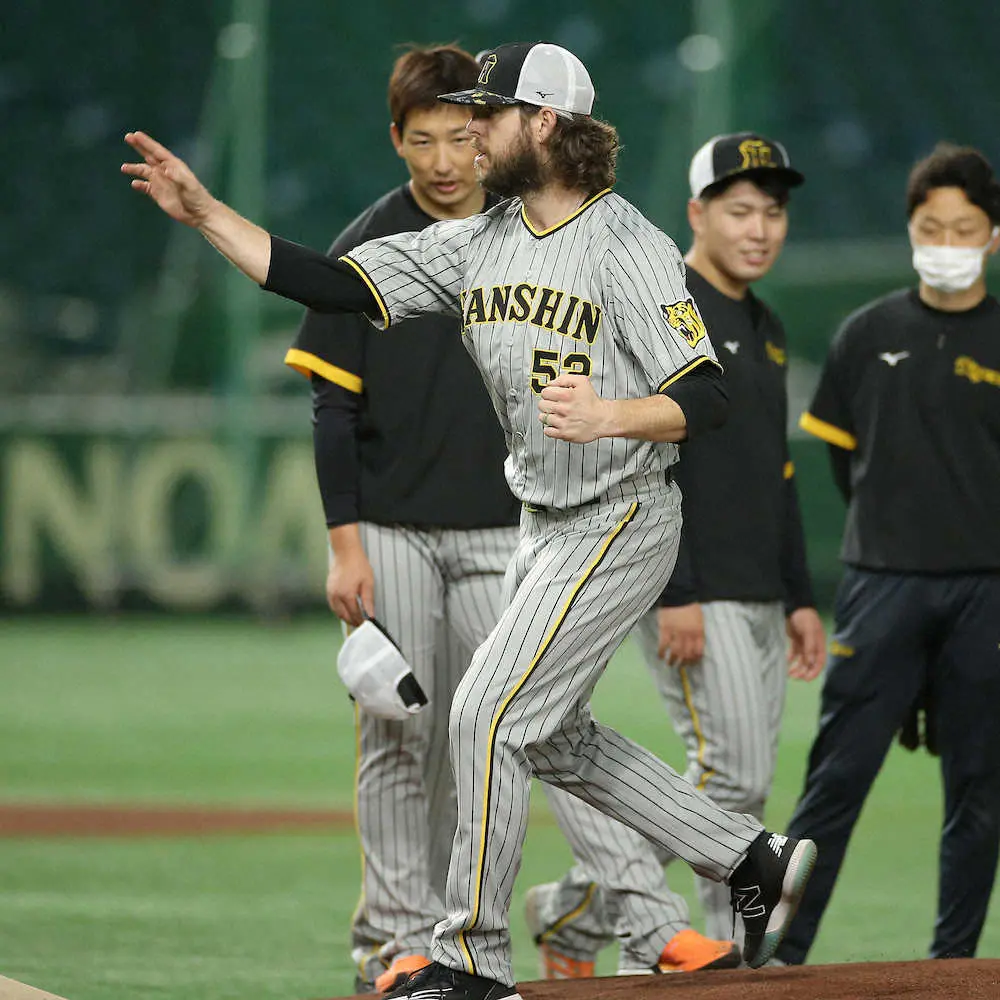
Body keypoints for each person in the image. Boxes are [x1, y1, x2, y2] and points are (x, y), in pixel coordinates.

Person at [122, 40, 818, 1000]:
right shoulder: (480, 240)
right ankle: (745, 854)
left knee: (485, 713)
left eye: (488, 114)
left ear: (543, 124)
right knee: (551, 733)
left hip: (621, 515)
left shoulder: (630, 245)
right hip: (543, 522)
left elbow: (708, 394)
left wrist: (613, 413)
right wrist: (203, 213)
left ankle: (469, 958)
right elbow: (328, 283)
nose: (472, 132)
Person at [523, 131, 827, 976]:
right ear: (697, 213)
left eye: (772, 212)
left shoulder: (763, 324)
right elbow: (652, 458)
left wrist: (801, 595)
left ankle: (577, 910)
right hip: (691, 580)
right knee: (728, 776)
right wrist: (675, 591)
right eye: (740, 210)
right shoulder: (665, 295)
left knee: (741, 783)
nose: (759, 228)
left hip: (760, 584)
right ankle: (671, 948)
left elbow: (778, 471)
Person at [284, 45, 522, 994]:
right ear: (397, 139)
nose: (443, 161)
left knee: (488, 737)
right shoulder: (366, 248)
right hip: (389, 528)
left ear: (488, 134)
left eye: (461, 137)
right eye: (422, 140)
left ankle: (462, 941)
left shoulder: (524, 236)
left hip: (506, 529)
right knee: (395, 733)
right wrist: (344, 545)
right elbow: (331, 409)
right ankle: (389, 948)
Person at [773, 141, 1000, 965]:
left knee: (979, 791)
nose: (947, 240)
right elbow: (843, 458)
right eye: (932, 225)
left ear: (993, 236)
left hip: (989, 594)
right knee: (835, 781)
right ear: (911, 228)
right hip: (881, 586)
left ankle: (955, 968)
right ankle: (783, 958)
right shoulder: (867, 334)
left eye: (965, 227)